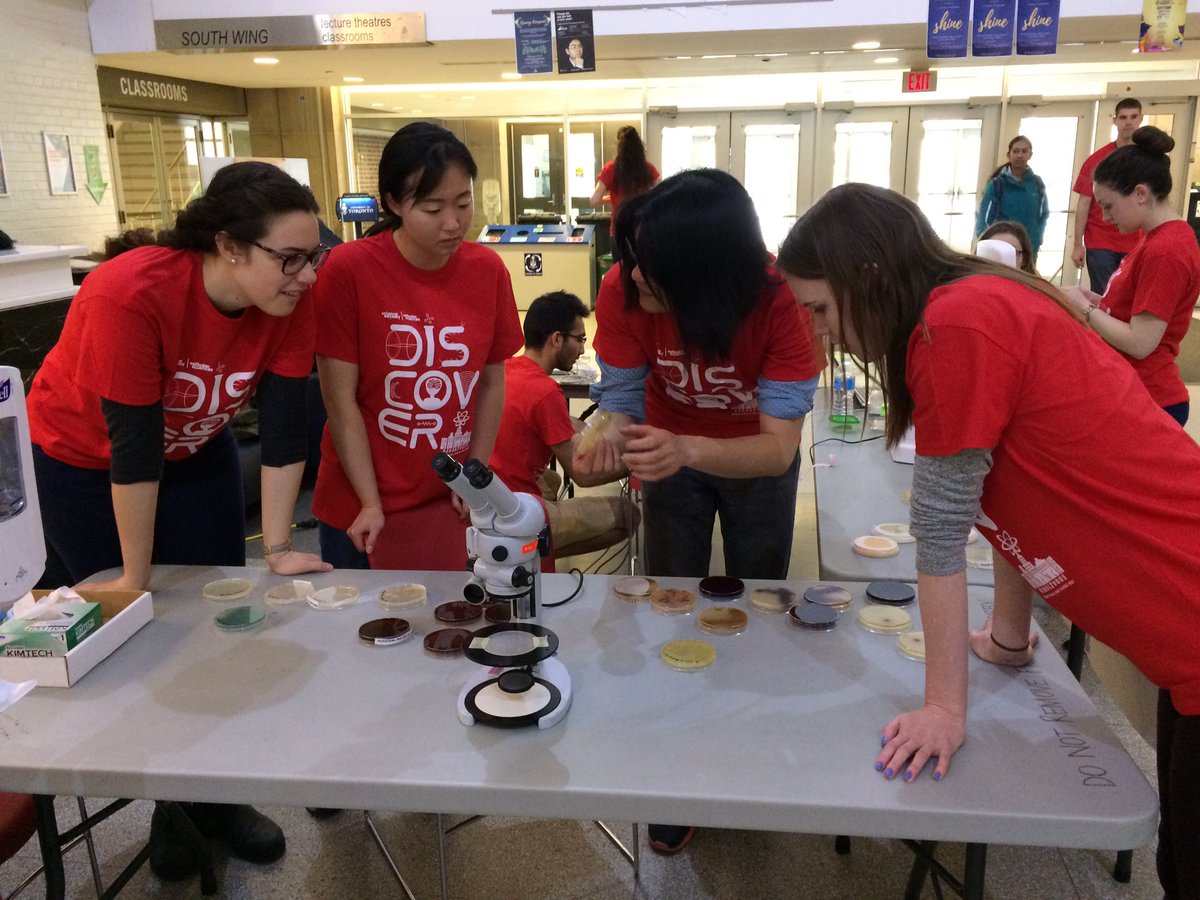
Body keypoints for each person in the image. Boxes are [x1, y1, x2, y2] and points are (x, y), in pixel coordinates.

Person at [777, 182, 1200, 900]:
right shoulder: (963, 310)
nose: (820, 331)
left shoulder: (958, 323)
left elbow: (939, 530)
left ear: (869, 278)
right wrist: (1007, 634)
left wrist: (945, 707)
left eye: (819, 308)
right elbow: (1004, 500)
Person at [26, 160, 334, 882]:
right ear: (228, 246)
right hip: (85, 463)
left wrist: (283, 547)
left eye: (313, 256)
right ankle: (171, 797)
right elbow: (132, 453)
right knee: (145, 626)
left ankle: (209, 803)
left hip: (197, 452)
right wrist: (136, 579)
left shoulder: (290, 299)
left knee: (218, 621)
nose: (306, 275)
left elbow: (289, 433)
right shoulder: (130, 293)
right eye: (289, 259)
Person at [575, 169, 822, 853]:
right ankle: (675, 768)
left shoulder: (783, 305)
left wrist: (689, 446)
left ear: (707, 273)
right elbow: (622, 398)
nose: (630, 279)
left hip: (748, 460)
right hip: (670, 453)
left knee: (757, 604)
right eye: (629, 262)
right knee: (669, 600)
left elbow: (776, 451)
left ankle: (747, 748)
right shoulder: (624, 288)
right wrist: (604, 440)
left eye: (650, 269)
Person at [310, 122, 523, 570]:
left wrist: (474, 476)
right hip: (362, 502)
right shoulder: (349, 270)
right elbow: (339, 399)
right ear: (392, 203)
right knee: (365, 632)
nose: (453, 222)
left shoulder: (487, 270)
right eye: (432, 208)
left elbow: (489, 383)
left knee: (452, 628)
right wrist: (369, 502)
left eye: (463, 203)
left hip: (449, 496)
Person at [1063, 126, 1200, 427]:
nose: (1107, 218)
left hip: (1151, 397)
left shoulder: (1166, 250)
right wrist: (1097, 301)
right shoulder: (1155, 239)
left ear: (1140, 193)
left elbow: (1141, 342)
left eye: (1109, 207)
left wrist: (1086, 310)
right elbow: (1138, 311)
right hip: (1136, 388)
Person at [489, 290, 640, 566]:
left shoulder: (505, 370)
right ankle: (536, 550)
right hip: (518, 510)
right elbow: (582, 474)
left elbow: (551, 423)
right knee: (629, 514)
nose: (583, 349)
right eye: (580, 340)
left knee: (553, 480)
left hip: (489, 501)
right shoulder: (545, 392)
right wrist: (638, 464)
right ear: (557, 339)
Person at [1071, 97, 1144, 293]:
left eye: (1133, 117)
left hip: (1136, 241)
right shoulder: (1097, 160)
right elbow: (1084, 203)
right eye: (1123, 117)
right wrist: (1078, 244)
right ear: (1115, 120)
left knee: (1129, 298)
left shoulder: (1147, 161)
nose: (1128, 122)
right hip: (1100, 241)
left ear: (1141, 119)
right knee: (1103, 298)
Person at [975, 136, 1049, 266]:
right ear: (1008, 155)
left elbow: (1043, 215)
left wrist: (1037, 241)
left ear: (1030, 154)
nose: (1020, 155)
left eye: (1024, 151)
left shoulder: (1037, 184)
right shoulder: (997, 184)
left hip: (1029, 251)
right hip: (1000, 252)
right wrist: (987, 247)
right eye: (1015, 151)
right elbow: (984, 220)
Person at [589, 126, 659, 251]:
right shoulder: (648, 169)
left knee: (621, 270)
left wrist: (610, 198)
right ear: (639, 146)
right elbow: (661, 193)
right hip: (642, 230)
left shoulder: (611, 169)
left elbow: (594, 200)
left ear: (619, 146)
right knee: (643, 270)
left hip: (619, 231)